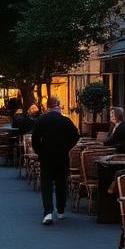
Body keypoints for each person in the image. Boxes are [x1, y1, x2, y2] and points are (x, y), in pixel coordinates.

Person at [31, 95, 80, 225]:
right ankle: (61, 210)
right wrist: (67, 147)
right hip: (62, 156)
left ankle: (48, 212)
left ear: (47, 106)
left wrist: (40, 151)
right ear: (58, 105)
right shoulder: (66, 121)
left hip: (46, 157)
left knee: (46, 183)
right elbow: (76, 135)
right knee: (61, 183)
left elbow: (34, 139)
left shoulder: (42, 120)